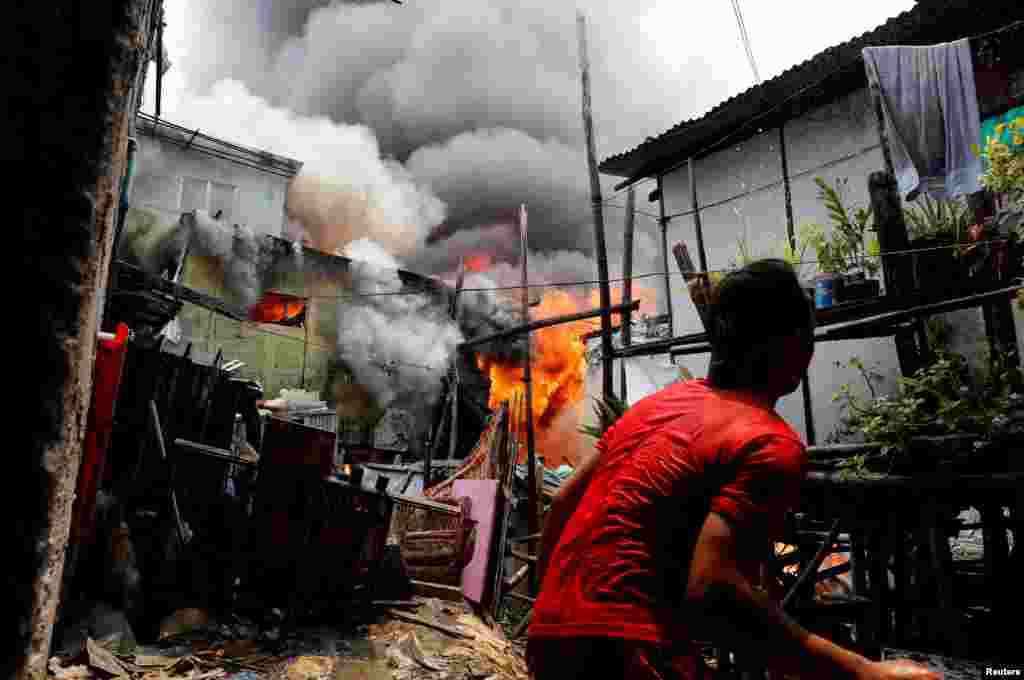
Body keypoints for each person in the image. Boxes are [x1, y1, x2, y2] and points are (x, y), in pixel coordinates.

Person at [527, 259, 939, 680]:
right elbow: (713, 589)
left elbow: (561, 503)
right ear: (792, 347)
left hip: (548, 637)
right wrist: (863, 672)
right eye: (807, 337)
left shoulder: (656, 406)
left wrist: (558, 618)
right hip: (630, 651)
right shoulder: (769, 442)